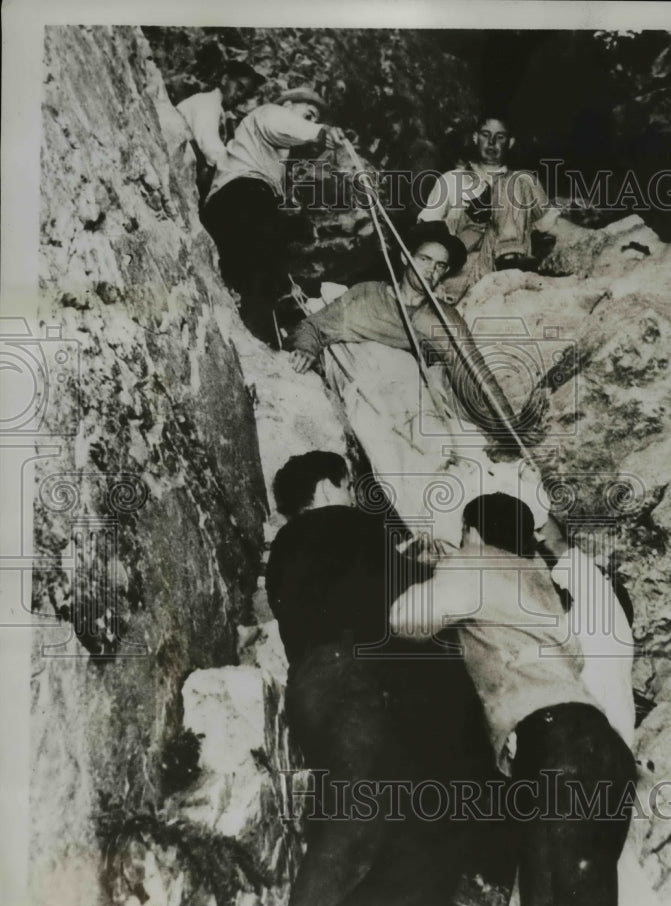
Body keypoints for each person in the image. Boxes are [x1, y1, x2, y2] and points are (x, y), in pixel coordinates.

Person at [263, 451, 494, 906]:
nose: (350, 495)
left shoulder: (282, 552)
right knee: (375, 798)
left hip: (311, 684)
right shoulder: (348, 524)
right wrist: (431, 564)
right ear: (326, 488)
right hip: (358, 676)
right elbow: (404, 600)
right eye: (346, 485)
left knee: (373, 792)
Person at [389, 493, 637, 906]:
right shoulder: (536, 578)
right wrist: (449, 558)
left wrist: (434, 566)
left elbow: (406, 617)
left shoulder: (473, 561)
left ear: (475, 534)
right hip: (592, 749)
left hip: (556, 749)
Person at [284, 220, 550, 549]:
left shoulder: (440, 316)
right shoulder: (367, 298)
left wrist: (508, 428)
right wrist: (305, 350)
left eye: (440, 265)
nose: (431, 270)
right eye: (424, 259)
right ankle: (446, 542)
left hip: (416, 394)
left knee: (461, 453)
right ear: (405, 258)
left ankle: (513, 526)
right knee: (401, 470)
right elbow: (313, 328)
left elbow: (473, 374)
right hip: (371, 397)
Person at [201, 87, 346, 342]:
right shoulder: (270, 114)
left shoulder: (272, 152)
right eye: (308, 113)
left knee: (264, 260)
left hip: (233, 206)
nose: (308, 120)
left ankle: (257, 322)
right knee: (266, 252)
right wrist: (319, 131)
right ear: (289, 104)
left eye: (313, 118)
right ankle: (261, 328)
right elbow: (282, 125)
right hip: (240, 197)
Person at [418, 114, 560, 302]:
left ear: (510, 142)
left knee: (513, 182)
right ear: (476, 138)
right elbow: (426, 232)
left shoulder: (525, 183)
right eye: (486, 135)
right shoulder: (451, 180)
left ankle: (509, 254)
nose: (492, 142)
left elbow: (550, 229)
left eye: (500, 137)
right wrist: (470, 218)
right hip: (463, 263)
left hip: (511, 268)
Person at [176, 59, 265, 205]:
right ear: (224, 80)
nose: (239, 95)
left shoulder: (221, 112)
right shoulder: (207, 103)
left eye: (245, 93)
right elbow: (211, 148)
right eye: (239, 87)